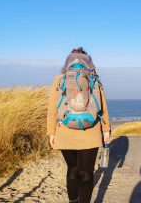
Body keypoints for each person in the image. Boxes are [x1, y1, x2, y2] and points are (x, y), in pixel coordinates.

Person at [47, 47, 111, 203]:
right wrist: (106, 129)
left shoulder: (59, 78)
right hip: (91, 130)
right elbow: (102, 105)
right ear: (88, 60)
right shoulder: (94, 78)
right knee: (87, 173)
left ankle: (73, 201)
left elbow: (52, 108)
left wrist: (51, 132)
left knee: (72, 169)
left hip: (65, 130)